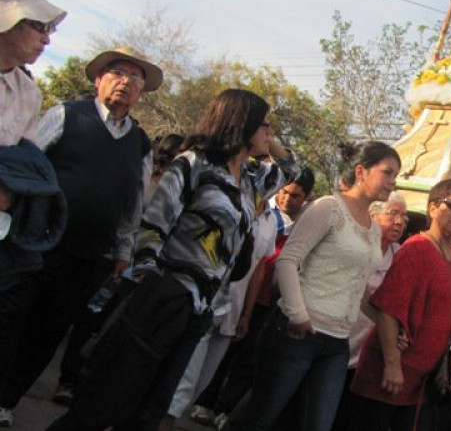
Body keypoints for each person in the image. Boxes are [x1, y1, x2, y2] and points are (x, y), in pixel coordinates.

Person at [46, 88, 297, 431]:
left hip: (200, 308)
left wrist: (269, 138)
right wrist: (153, 288)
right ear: (243, 123)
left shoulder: (251, 181)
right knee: (107, 399)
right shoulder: (194, 164)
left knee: (150, 409)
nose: (270, 133)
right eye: (264, 124)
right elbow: (153, 229)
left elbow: (291, 167)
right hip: (165, 297)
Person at [0, 46, 161, 426]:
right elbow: (24, 165)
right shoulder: (66, 115)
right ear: (98, 79)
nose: (125, 83)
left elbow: (132, 203)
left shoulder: (139, 143)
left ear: (141, 93)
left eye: (134, 79)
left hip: (88, 255)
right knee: (10, 321)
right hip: (35, 243)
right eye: (117, 73)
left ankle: (6, 401)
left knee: (48, 332)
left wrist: (123, 251)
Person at [226, 141, 401, 431]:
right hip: (297, 332)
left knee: (317, 424)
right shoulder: (328, 208)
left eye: (396, 175)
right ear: (361, 171)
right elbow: (287, 261)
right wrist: (297, 314)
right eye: (388, 172)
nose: (393, 182)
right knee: (261, 417)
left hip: (336, 343)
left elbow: (357, 290)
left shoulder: (372, 229)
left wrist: (389, 327)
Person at [160, 152, 301, 430]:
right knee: (183, 381)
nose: (280, 192)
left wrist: (247, 314)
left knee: (201, 381)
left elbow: (258, 268)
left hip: (233, 309)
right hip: (204, 300)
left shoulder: (272, 221)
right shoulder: (232, 203)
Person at [349, 178, 451, 431]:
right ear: (433, 208)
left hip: (423, 380)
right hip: (391, 373)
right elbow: (389, 308)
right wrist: (392, 364)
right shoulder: (417, 248)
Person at [0, 0, 67, 305]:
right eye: (38, 25)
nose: (47, 38)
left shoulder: (29, 92)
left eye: (49, 28)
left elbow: (25, 159)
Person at [331, 192, 408, 431]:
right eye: (393, 213)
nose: (400, 221)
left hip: (365, 352)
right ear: (373, 215)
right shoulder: (356, 244)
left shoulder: (401, 256)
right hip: (335, 336)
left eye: (404, 217)